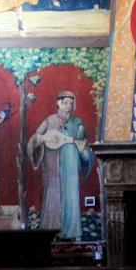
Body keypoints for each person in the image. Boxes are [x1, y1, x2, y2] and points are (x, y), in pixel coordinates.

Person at [27, 91, 94, 240]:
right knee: (53, 195)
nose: (68, 106)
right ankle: (50, 232)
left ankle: (71, 232)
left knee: (71, 197)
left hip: (71, 170)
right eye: (65, 103)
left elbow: (86, 149)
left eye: (71, 103)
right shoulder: (49, 121)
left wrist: (83, 150)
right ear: (58, 103)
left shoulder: (78, 124)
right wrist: (41, 139)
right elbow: (34, 140)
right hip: (53, 167)